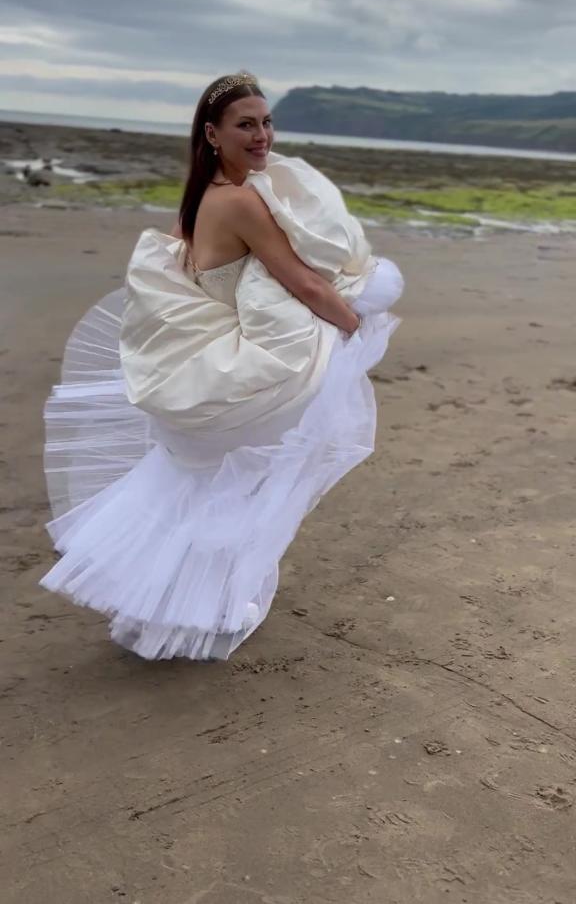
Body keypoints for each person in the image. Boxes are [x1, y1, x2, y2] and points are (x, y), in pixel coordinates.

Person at [40, 71, 404, 661]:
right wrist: (358, 326)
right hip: (239, 365)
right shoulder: (238, 200)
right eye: (245, 125)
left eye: (266, 122)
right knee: (244, 485)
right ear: (212, 134)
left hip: (210, 358)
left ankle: (175, 600)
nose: (261, 135)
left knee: (202, 486)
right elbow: (303, 281)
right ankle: (205, 602)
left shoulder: (206, 193)